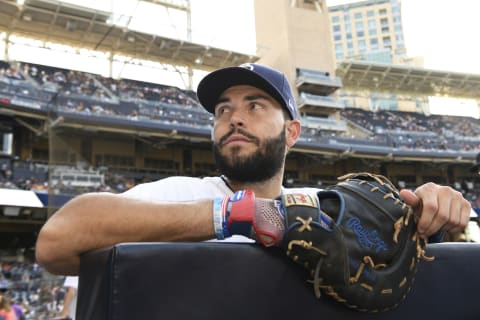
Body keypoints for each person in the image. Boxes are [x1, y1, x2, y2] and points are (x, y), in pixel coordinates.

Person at [35, 63, 472, 275]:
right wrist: (228, 216)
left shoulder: (324, 210)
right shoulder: (178, 193)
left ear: (293, 132)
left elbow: (393, 259)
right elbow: (56, 241)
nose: (233, 118)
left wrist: (437, 221)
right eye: (223, 109)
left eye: (255, 106)